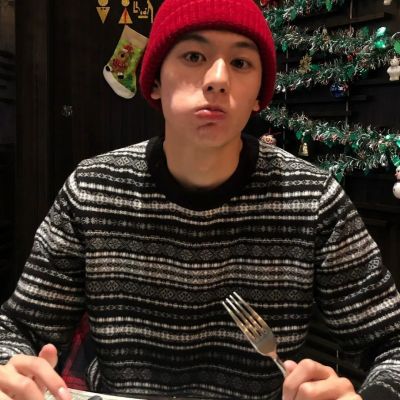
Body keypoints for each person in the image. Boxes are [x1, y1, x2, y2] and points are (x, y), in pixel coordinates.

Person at [1, 0, 400, 399]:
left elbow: (393, 343)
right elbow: (18, 329)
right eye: (194, 56)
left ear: (259, 95)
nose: (218, 79)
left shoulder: (312, 199)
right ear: (154, 82)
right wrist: (8, 369)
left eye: (241, 63)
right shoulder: (93, 189)